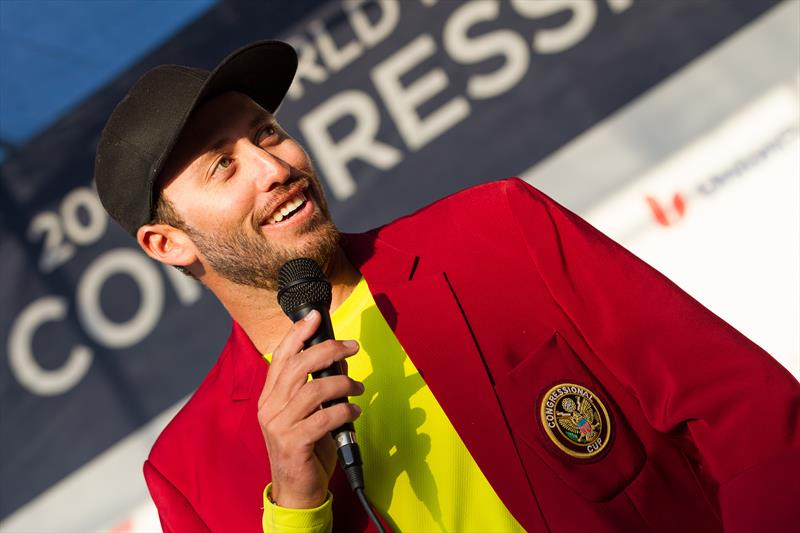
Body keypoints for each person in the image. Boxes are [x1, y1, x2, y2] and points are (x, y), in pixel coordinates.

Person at [94, 41, 800, 533]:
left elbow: (746, 413)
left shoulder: (499, 227)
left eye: (268, 133)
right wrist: (296, 502)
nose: (272, 165)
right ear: (168, 243)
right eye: (223, 165)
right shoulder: (188, 468)